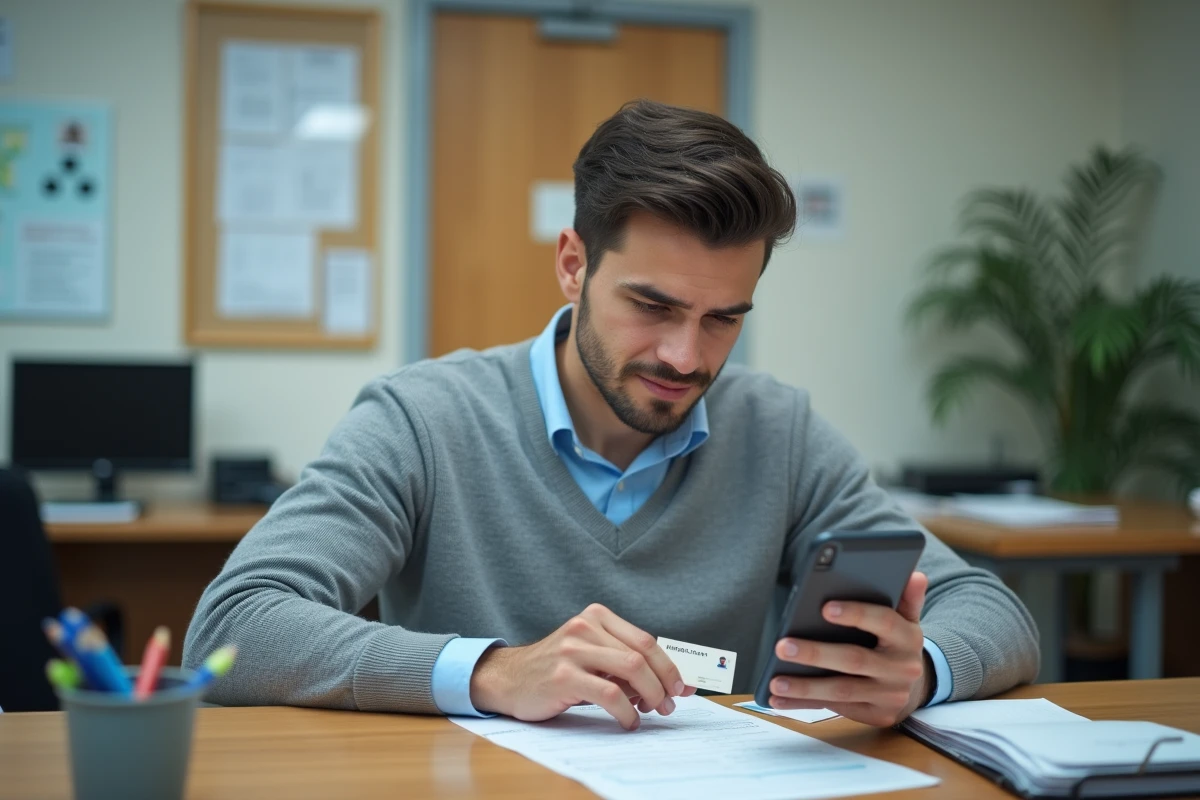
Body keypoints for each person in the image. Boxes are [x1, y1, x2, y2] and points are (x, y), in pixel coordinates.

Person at [184, 100, 1039, 731]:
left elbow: (991, 611)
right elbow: (234, 627)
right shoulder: (423, 418)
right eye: (652, 306)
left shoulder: (777, 432)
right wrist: (490, 671)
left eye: (723, 319)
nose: (684, 357)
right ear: (572, 264)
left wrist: (919, 672)